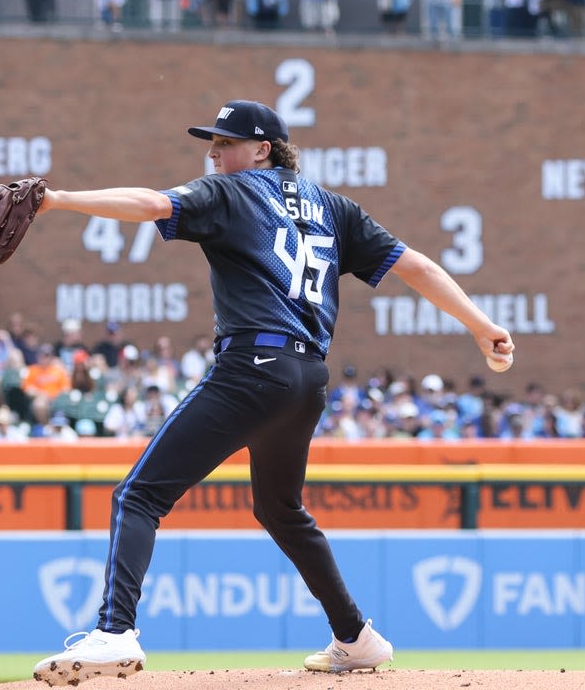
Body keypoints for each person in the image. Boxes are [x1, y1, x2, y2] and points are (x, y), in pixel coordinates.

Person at [27, 99, 514, 686]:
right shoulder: (333, 207)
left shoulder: (232, 192)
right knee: (279, 509)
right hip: (307, 378)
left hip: (251, 369)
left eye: (225, 144)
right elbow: (416, 267)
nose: (213, 155)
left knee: (140, 495)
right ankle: (356, 636)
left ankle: (115, 630)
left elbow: (153, 204)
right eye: (211, 145)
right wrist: (482, 325)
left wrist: (55, 199)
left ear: (263, 150)